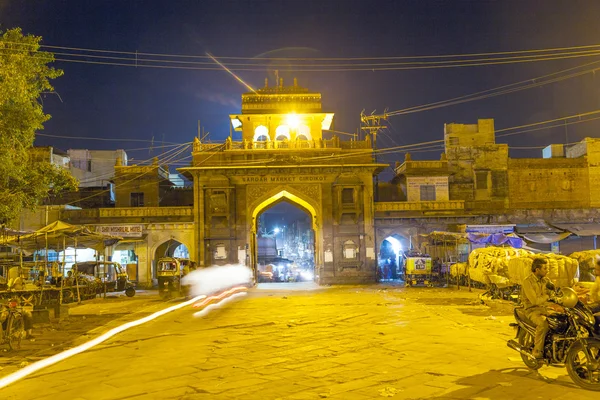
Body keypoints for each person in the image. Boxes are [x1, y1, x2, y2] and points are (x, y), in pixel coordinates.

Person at [521, 257, 554, 359]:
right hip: (532, 310)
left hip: (545, 308)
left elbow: (554, 292)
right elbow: (535, 301)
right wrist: (548, 296)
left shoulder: (546, 280)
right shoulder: (527, 282)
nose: (547, 270)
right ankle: (537, 350)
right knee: (544, 324)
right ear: (537, 269)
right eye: (545, 268)